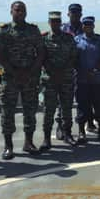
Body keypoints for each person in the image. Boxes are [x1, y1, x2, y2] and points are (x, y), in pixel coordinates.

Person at [0, 1, 44, 159]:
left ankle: (28, 142)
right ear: (11, 11)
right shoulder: (4, 31)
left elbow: (41, 52)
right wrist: (15, 72)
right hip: (10, 78)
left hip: (29, 77)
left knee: (30, 110)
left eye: (23, 10)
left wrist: (30, 71)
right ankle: (8, 146)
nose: (20, 13)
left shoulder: (33, 30)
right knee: (7, 112)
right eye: (17, 10)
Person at [40, 11, 78, 151]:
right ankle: (46, 138)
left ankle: (68, 134)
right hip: (50, 79)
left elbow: (73, 57)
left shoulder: (69, 38)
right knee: (48, 110)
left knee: (67, 108)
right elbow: (41, 58)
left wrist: (63, 71)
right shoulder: (43, 38)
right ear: (49, 22)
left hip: (66, 78)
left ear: (61, 22)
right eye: (52, 21)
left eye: (57, 21)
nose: (55, 23)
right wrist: (52, 71)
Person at [74, 16, 100, 143]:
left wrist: (96, 68)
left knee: (99, 105)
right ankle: (81, 132)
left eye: (90, 24)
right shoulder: (76, 40)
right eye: (85, 24)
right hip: (82, 79)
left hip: (97, 79)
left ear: (93, 26)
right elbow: (74, 59)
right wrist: (83, 71)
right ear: (82, 26)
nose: (87, 26)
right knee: (82, 106)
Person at [57, 3, 84, 140]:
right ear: (68, 14)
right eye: (72, 12)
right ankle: (60, 126)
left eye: (78, 12)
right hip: (65, 69)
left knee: (81, 99)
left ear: (81, 14)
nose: (75, 15)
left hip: (80, 69)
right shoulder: (62, 28)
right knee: (63, 100)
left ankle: (81, 127)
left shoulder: (84, 28)